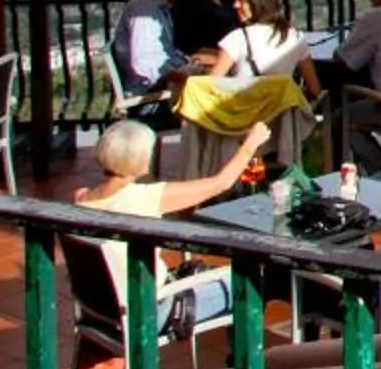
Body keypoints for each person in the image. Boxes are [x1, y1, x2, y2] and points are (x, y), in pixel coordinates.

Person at [76, 116, 272, 329]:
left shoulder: (82, 199)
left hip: (102, 309)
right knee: (251, 283)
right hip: (151, 310)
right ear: (140, 159)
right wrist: (251, 143)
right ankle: (243, 348)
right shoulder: (145, 197)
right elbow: (221, 183)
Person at [184, 0, 321, 168]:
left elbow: (210, 87)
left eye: (241, 0)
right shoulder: (295, 39)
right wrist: (281, 97)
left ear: (258, 3)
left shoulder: (236, 39)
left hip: (236, 133)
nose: (235, 5)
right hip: (280, 132)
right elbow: (314, 89)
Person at [110, 0, 192, 102]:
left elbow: (163, 54)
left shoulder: (158, 6)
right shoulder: (145, 9)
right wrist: (189, 80)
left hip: (161, 87)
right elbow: (145, 63)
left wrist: (190, 61)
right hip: (151, 96)